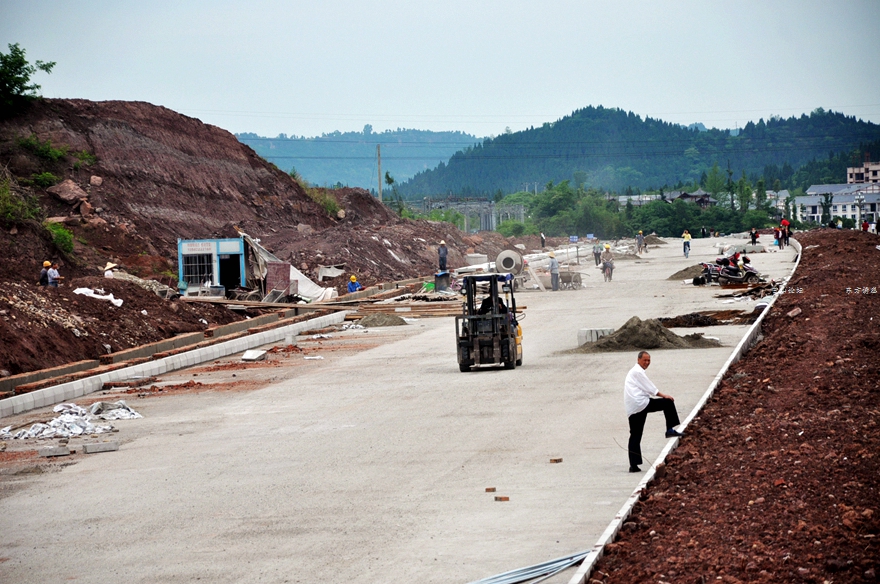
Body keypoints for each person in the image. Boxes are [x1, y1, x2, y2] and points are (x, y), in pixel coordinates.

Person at [624, 351, 683, 473]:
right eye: (645, 360)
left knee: (635, 435)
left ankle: (633, 465)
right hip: (641, 404)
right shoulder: (637, 372)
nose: (647, 363)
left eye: (648, 360)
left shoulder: (634, 372)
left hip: (633, 407)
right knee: (668, 402)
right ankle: (669, 430)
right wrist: (664, 395)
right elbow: (650, 388)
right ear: (638, 360)